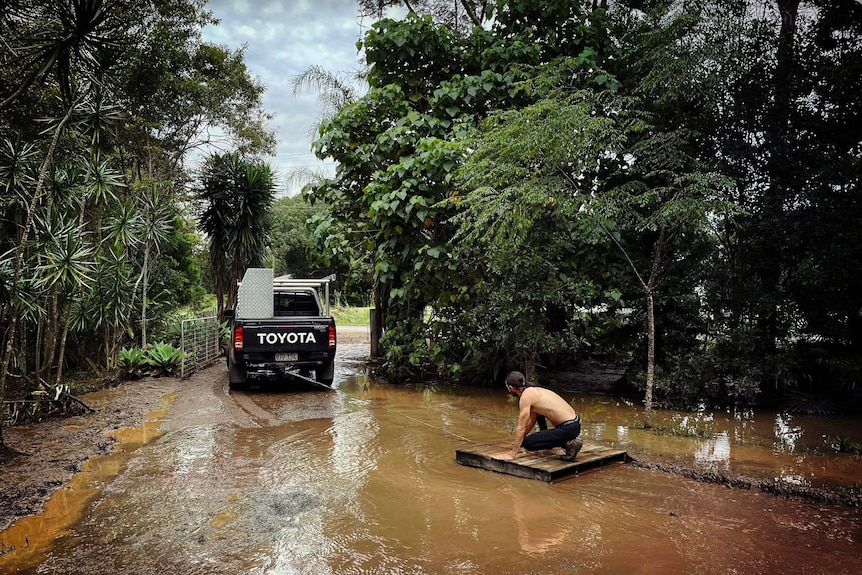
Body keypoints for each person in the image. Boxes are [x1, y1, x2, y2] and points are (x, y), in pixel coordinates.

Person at [496, 371, 583, 461]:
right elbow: (531, 422)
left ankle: (568, 444)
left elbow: (521, 428)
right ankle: (560, 443)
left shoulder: (525, 398)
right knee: (538, 419)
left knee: (528, 444)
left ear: (511, 388)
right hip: (575, 424)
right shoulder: (532, 390)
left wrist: (512, 454)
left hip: (567, 428)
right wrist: (519, 441)